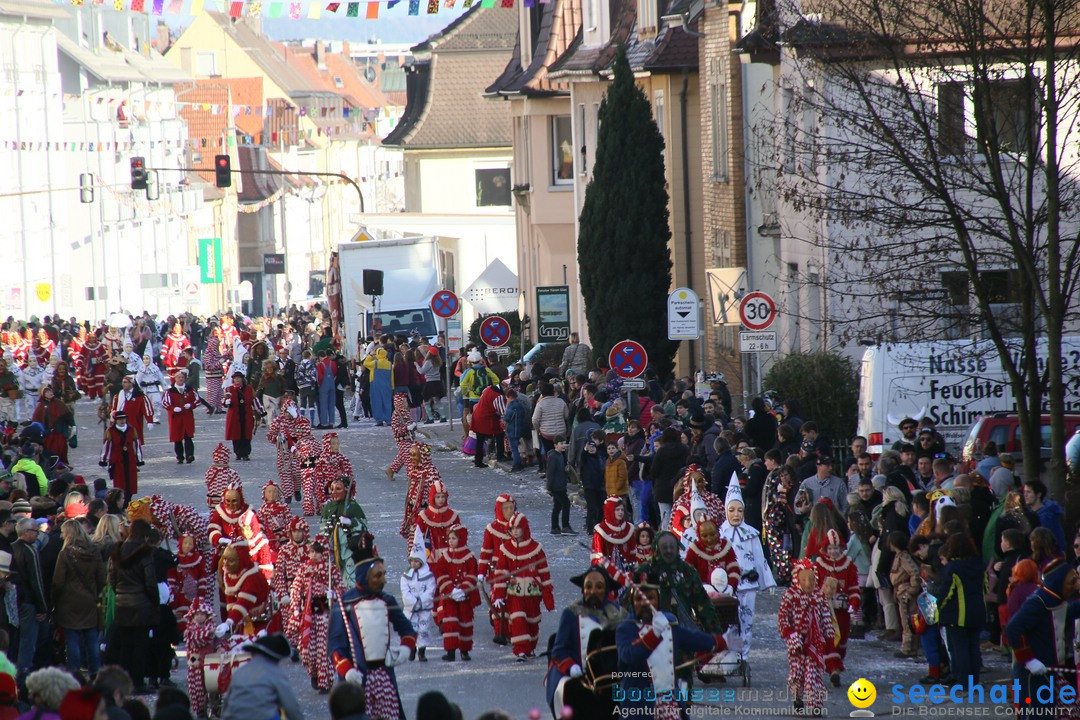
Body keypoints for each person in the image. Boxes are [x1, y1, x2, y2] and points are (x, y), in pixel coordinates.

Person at [614, 567, 736, 719]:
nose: (644, 603)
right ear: (632, 601)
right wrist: (654, 634)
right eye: (639, 599)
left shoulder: (667, 623)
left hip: (669, 704)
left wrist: (720, 641)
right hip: (639, 706)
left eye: (650, 598)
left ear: (658, 600)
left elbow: (691, 638)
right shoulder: (625, 628)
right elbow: (631, 656)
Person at [329, 554, 417, 720]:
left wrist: (406, 647)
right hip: (356, 680)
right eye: (378, 576)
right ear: (365, 576)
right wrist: (346, 669)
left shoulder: (387, 600)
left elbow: (406, 628)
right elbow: (335, 644)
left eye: (384, 574)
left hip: (384, 677)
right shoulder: (344, 603)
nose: (383, 580)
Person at [544, 565, 625, 718]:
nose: (593, 591)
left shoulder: (619, 614)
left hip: (611, 679)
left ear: (606, 589)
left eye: (599, 587)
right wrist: (571, 667)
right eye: (588, 586)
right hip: (580, 677)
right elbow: (559, 649)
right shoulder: (571, 613)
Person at [1005, 558, 1080, 716]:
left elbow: (1070, 611)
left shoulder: (1057, 600)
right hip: (1033, 673)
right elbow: (1013, 628)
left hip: (1049, 670)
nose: (1076, 585)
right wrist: (1028, 659)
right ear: (1059, 582)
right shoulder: (1038, 602)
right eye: (1072, 581)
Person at [717, 480, 775, 657]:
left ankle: (745, 656)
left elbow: (759, 558)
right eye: (732, 510)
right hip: (728, 586)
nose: (736, 515)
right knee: (730, 622)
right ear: (726, 511)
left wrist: (768, 580)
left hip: (748, 584)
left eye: (739, 510)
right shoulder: (719, 534)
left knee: (747, 621)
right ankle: (732, 654)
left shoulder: (751, 534)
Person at [491, 513, 555, 661]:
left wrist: (548, 594)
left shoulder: (536, 549)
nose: (515, 531)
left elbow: (544, 572)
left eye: (518, 528)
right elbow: (501, 573)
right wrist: (499, 594)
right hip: (514, 593)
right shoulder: (505, 549)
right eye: (512, 528)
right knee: (518, 620)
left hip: (533, 593)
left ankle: (530, 646)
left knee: (532, 621)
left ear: (525, 529)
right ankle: (520, 650)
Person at [778, 557, 836, 714]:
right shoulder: (790, 595)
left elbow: (826, 618)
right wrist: (790, 634)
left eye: (811, 579)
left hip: (815, 641)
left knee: (813, 673)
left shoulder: (819, 596)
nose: (808, 583)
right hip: (796, 642)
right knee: (797, 673)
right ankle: (797, 695)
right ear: (797, 579)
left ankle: (814, 705)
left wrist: (829, 639)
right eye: (804, 579)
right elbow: (783, 617)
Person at [108, 518, 158, 694]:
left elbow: (112, 578)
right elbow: (150, 582)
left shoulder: (117, 550)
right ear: (145, 535)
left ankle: (125, 682)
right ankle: (138, 682)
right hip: (142, 604)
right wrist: (154, 602)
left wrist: (120, 592)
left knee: (126, 645)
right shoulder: (146, 553)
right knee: (140, 646)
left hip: (122, 604)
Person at [288, 534, 342, 693]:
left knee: (323, 645)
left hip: (323, 606)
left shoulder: (331, 568)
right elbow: (296, 589)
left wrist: (334, 594)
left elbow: (341, 588)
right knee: (307, 645)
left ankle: (325, 680)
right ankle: (314, 673)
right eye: (311, 552)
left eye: (317, 552)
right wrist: (295, 608)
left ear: (323, 552)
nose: (314, 555)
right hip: (308, 609)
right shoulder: (304, 568)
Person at [52, 519, 106, 677]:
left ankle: (74, 673)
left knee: (72, 639)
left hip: (68, 601)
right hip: (89, 599)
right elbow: (102, 579)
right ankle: (95, 670)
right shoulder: (94, 552)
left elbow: (58, 581)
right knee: (91, 638)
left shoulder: (65, 553)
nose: (61, 535)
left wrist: (54, 600)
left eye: (63, 532)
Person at [934, 533, 986, 684]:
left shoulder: (953, 568)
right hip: (977, 609)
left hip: (957, 614)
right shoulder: (979, 564)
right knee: (973, 647)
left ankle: (961, 678)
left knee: (959, 648)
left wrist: (939, 609)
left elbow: (947, 593)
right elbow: (985, 587)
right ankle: (973, 679)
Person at [221, 634, 302, 720]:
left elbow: (227, 704)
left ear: (253, 654)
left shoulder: (239, 672)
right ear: (276, 658)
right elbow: (291, 706)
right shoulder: (276, 673)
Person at [433, 523, 479, 662]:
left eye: (454, 538)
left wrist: (464, 589)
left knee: (465, 623)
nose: (451, 541)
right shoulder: (445, 556)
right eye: (450, 538)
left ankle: (465, 650)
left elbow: (472, 574)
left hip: (464, 597)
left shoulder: (469, 557)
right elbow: (440, 573)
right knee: (450, 623)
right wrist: (451, 590)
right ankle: (451, 651)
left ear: (462, 539)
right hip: (449, 596)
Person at [11, 517, 48, 685]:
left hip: (15, 600)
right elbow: (36, 581)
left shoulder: (11, 548)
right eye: (35, 531)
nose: (38, 534)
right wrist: (42, 607)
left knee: (18, 639)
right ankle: (23, 676)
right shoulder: (30, 551)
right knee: (28, 641)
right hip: (29, 602)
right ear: (26, 533)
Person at [399, 537, 436, 662]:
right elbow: (405, 591)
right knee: (412, 628)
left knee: (423, 629)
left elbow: (430, 590)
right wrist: (413, 603)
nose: (413, 563)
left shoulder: (428, 576)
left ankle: (422, 651)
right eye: (412, 561)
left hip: (424, 608)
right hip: (411, 609)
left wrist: (422, 601)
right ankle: (412, 649)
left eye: (416, 561)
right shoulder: (406, 576)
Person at [99, 412, 144, 500]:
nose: (122, 421)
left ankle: (128, 500)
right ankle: (121, 501)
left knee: (131, 483)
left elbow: (136, 445)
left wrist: (139, 459)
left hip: (130, 461)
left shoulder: (131, 430)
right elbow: (107, 447)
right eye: (120, 419)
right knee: (120, 484)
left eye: (124, 418)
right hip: (117, 461)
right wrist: (103, 460)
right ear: (116, 420)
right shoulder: (110, 431)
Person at [161, 371, 197, 464]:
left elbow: (197, 400)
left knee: (188, 436)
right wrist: (173, 408)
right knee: (177, 438)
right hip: (176, 418)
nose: (181, 379)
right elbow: (165, 403)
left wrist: (191, 405)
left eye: (182, 377)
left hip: (187, 416)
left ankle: (190, 455)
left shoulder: (189, 389)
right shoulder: (170, 391)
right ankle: (180, 457)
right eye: (179, 377)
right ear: (175, 379)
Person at [1024, 479, 1066, 553]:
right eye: (1024, 492)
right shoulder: (1031, 514)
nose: (1025, 495)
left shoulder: (1047, 516)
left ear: (1038, 494)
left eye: (1028, 492)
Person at [223, 371, 256, 462]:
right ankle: (238, 453)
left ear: (242, 379)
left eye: (238, 378)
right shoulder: (229, 389)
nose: (236, 380)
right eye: (235, 378)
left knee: (246, 434)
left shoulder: (249, 389)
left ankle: (245, 453)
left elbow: (255, 401)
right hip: (234, 415)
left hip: (246, 414)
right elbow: (224, 402)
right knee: (236, 434)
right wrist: (226, 402)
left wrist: (262, 412)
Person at [546, 435, 574, 535]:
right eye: (561, 443)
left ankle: (555, 527)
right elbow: (550, 473)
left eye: (564, 443)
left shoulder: (562, 455)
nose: (563, 445)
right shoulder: (553, 456)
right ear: (555, 445)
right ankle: (565, 526)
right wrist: (549, 487)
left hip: (561, 485)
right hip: (556, 487)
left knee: (557, 506)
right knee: (566, 504)